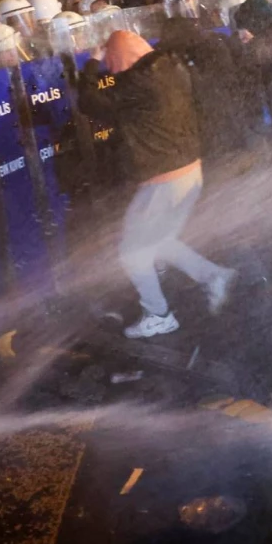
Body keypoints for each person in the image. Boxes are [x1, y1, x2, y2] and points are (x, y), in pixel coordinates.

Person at [91, 30, 237, 338]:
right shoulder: (170, 69)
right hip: (190, 171)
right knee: (159, 242)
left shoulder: (136, 83)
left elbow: (90, 103)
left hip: (164, 180)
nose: (110, 68)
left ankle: (158, 314)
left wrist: (91, 63)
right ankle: (213, 276)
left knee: (131, 252)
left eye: (111, 61)